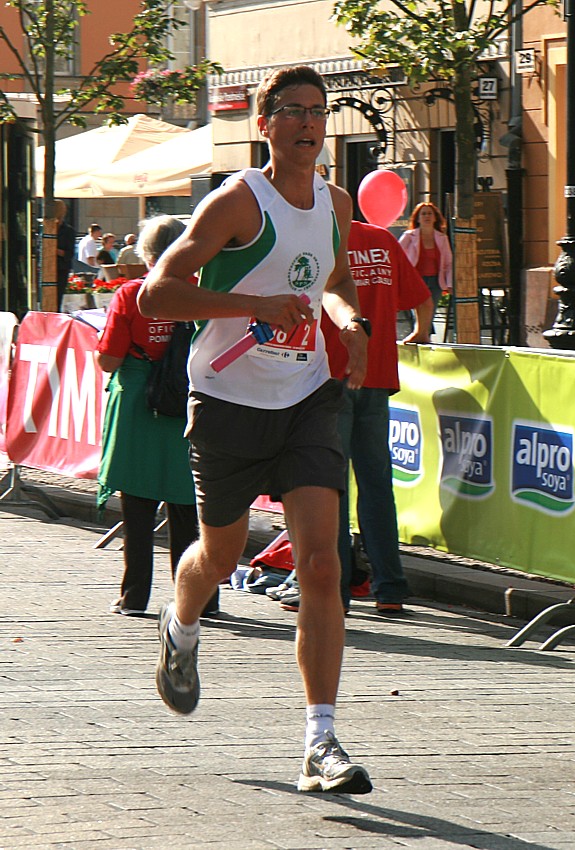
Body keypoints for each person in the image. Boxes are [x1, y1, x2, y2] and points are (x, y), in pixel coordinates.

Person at [137, 65, 372, 795]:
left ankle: (320, 741)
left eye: (318, 111)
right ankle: (180, 624)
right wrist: (255, 304)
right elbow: (156, 295)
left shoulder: (334, 201)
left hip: (306, 396)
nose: (308, 123)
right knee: (220, 554)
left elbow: (334, 282)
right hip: (228, 400)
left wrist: (350, 324)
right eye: (293, 111)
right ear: (265, 124)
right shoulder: (236, 203)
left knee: (322, 565)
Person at [281, 221, 432, 617]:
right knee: (377, 484)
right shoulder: (382, 240)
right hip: (377, 375)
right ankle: (390, 587)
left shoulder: (315, 236)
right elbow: (422, 298)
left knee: (330, 489)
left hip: (329, 377)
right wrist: (419, 333)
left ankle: (334, 592)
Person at [95, 215, 219, 619]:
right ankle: (200, 599)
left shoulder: (132, 293)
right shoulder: (203, 292)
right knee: (189, 509)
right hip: (192, 403)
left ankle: (134, 597)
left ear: (147, 253)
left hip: (140, 405)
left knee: (138, 506)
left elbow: (109, 359)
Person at [398, 202, 453, 327]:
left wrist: (449, 284)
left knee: (430, 313)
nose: (427, 216)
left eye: (429, 213)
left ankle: (424, 335)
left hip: (436, 282)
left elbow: (448, 263)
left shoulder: (442, 238)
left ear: (435, 218)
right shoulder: (409, 236)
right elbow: (397, 254)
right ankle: (422, 335)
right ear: (418, 219)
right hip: (416, 280)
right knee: (419, 314)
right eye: (423, 214)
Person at [54, 199, 76, 311]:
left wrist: (54, 250)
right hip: (46, 268)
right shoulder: (45, 228)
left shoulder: (68, 231)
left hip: (61, 268)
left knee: (57, 297)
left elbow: (69, 254)